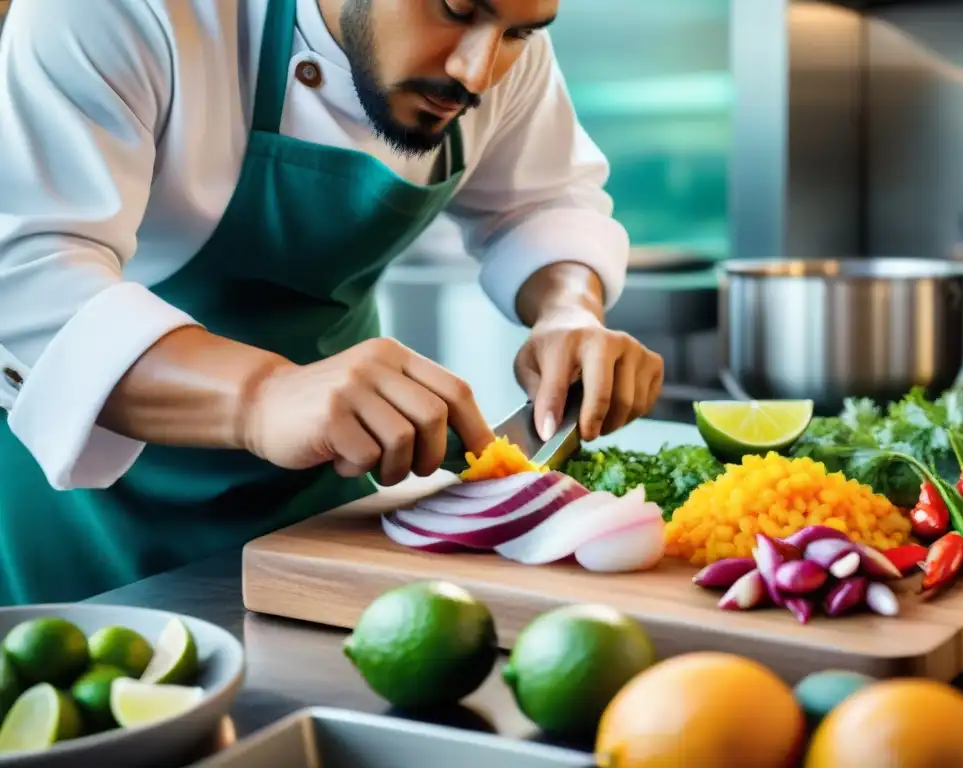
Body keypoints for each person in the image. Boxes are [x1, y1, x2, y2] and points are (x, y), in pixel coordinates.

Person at [0, 0, 664, 605]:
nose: (478, 72)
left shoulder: (489, 46)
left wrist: (568, 308)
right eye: (455, 10)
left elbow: (540, 200)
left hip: (325, 493)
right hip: (87, 513)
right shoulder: (116, 11)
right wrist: (263, 397)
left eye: (520, 33)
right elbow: (32, 277)